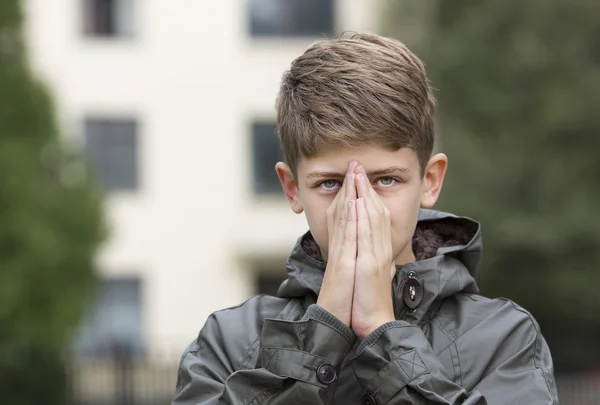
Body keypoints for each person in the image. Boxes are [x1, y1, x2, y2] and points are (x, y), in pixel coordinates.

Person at [171, 32, 558, 405]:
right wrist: (323, 329)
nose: (357, 206)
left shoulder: (503, 338)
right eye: (330, 184)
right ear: (292, 189)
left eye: (386, 180)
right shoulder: (230, 340)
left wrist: (381, 331)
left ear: (430, 180)